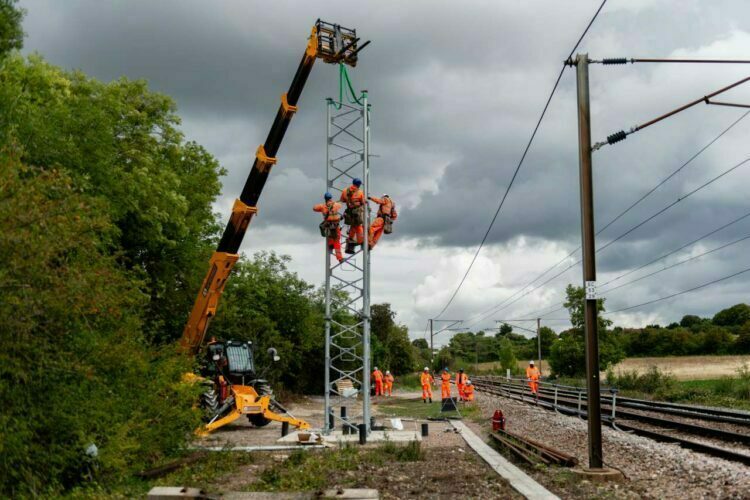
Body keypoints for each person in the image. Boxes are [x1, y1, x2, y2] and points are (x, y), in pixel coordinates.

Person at [313, 192, 343, 262]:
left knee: (330, 236)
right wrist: (333, 203)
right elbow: (340, 205)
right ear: (331, 198)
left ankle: (331, 245)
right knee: (337, 241)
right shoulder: (336, 205)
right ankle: (340, 258)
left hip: (328, 225)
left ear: (325, 199)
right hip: (335, 225)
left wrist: (322, 206)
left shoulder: (322, 206)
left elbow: (314, 208)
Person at [340, 178, 365, 254]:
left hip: (349, 212)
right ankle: (361, 242)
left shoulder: (345, 190)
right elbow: (363, 202)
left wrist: (349, 201)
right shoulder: (360, 192)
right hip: (357, 212)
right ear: (359, 185)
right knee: (358, 226)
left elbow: (342, 200)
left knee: (353, 226)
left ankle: (350, 241)